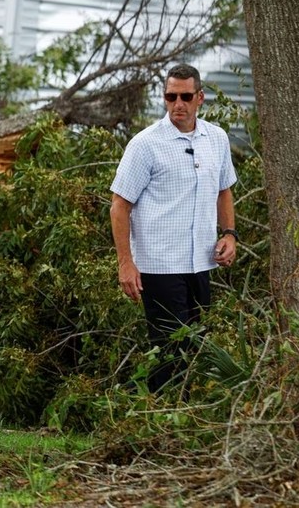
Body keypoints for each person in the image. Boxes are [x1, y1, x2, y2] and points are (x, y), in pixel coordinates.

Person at [109, 63, 238, 393]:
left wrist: (229, 234)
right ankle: (162, 421)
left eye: (184, 96)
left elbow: (224, 189)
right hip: (160, 266)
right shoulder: (145, 144)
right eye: (170, 96)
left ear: (200, 98)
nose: (177, 104)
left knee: (196, 346)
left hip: (201, 263)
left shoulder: (217, 139)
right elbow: (119, 206)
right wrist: (126, 263)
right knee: (169, 349)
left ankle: (185, 418)